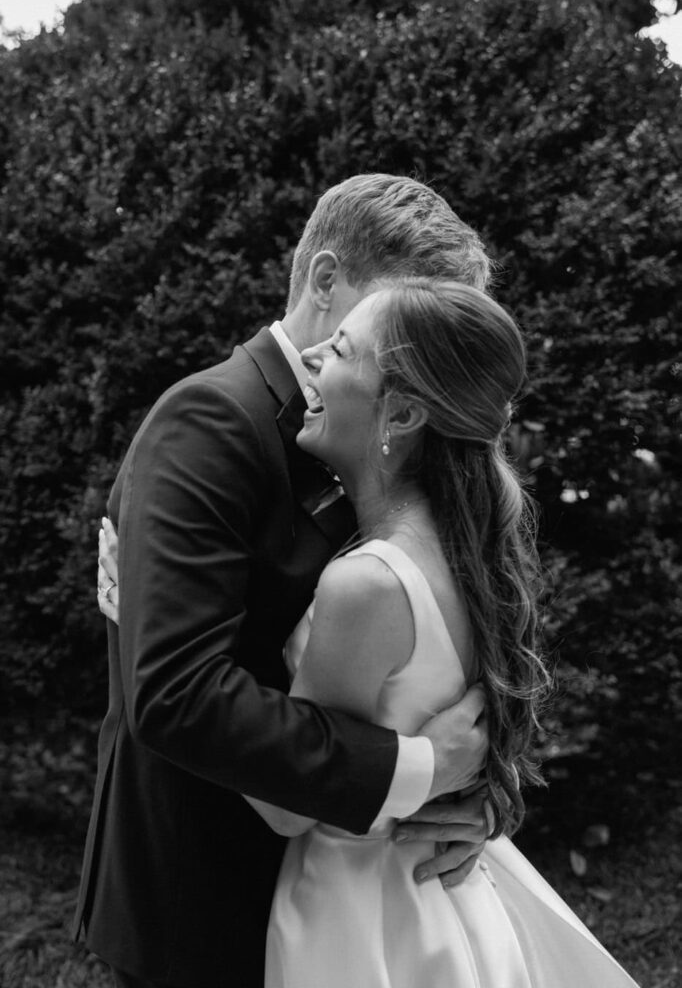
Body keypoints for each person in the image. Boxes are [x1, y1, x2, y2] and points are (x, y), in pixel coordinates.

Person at [100, 278, 641, 988]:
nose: (319, 357)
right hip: (439, 905)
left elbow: (287, 810)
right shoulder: (473, 545)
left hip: (359, 918)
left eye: (346, 350)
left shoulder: (365, 581)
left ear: (404, 412)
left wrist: (432, 769)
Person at [76, 174, 495, 988]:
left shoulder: (395, 439)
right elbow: (175, 692)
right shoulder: (207, 422)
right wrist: (418, 767)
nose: (430, 351)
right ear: (327, 279)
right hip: (206, 896)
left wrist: (480, 788)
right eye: (412, 316)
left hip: (351, 896)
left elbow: (453, 622)